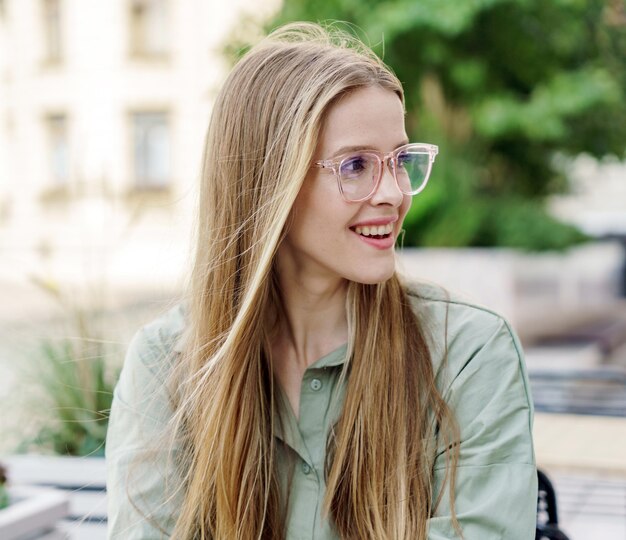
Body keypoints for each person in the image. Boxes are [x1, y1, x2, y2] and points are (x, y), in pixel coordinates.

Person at [106, 22, 537, 540]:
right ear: (269, 182)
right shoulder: (165, 366)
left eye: (400, 161)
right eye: (356, 165)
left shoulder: (468, 353)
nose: (394, 193)